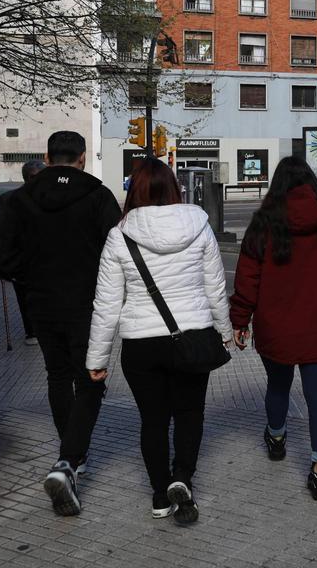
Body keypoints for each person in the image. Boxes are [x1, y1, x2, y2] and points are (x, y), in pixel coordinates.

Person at [86, 158, 232, 523]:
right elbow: (216, 289)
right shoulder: (199, 226)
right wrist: (226, 334)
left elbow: (106, 303)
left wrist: (96, 359)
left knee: (152, 419)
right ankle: (182, 477)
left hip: (141, 344)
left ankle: (158, 494)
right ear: (174, 188)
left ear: (133, 191)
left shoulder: (119, 234)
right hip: (193, 336)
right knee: (189, 412)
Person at [0, 131, 121, 516]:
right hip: (86, 304)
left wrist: (25, 276)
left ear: (47, 158)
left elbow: (1, 253)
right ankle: (69, 459)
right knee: (92, 379)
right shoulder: (98, 196)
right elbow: (116, 251)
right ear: (82, 158)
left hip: (42, 302)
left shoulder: (21, 199)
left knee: (57, 376)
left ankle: (72, 456)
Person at [230, 157, 317, 501]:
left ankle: (276, 437)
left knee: (278, 386)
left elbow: (248, 278)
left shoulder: (264, 223)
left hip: (275, 325)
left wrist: (240, 320)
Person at [0, 158, 46, 345]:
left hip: (47, 258)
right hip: (22, 258)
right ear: (26, 178)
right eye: (33, 177)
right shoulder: (9, 200)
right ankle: (32, 331)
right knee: (25, 296)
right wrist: (0, 255)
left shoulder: (53, 198)